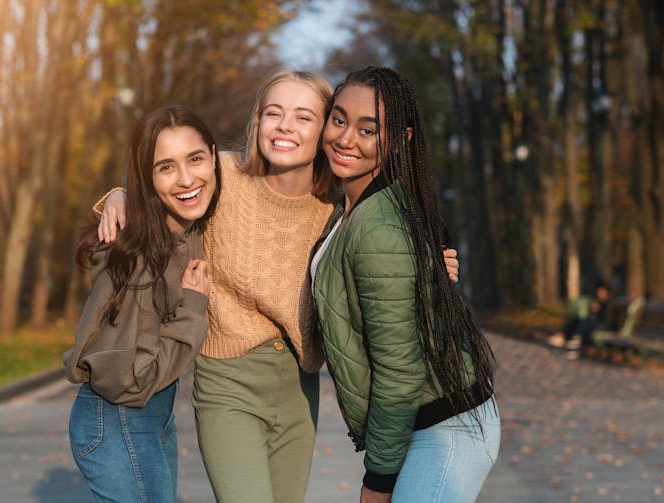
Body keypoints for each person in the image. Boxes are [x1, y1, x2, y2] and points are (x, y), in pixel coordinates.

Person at [95, 69, 461, 503]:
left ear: (325, 129)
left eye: (304, 117)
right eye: (274, 112)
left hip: (298, 385)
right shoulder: (223, 177)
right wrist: (121, 196)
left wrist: (428, 263)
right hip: (227, 381)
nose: (285, 126)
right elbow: (167, 182)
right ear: (258, 122)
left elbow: (388, 248)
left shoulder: (340, 204)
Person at [311, 67, 500, 503]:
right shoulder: (354, 208)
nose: (345, 139)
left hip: (444, 428)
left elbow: (400, 370)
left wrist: (377, 481)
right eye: (338, 120)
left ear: (401, 139)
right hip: (418, 422)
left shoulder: (378, 226)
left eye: (368, 130)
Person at [64, 105, 220, 502]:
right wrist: (192, 308)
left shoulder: (181, 226)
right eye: (165, 167)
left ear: (214, 156)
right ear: (147, 178)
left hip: (149, 419)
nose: (187, 179)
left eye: (195, 159)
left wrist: (118, 195)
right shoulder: (138, 258)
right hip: (119, 419)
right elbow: (127, 382)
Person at [547, 281, 612, 354]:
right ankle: (562, 336)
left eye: (602, 291)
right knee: (577, 320)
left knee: (584, 321)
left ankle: (576, 339)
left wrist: (598, 310)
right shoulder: (595, 300)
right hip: (592, 323)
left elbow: (605, 318)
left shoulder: (609, 303)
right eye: (599, 291)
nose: (600, 293)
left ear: (607, 292)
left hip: (602, 325)